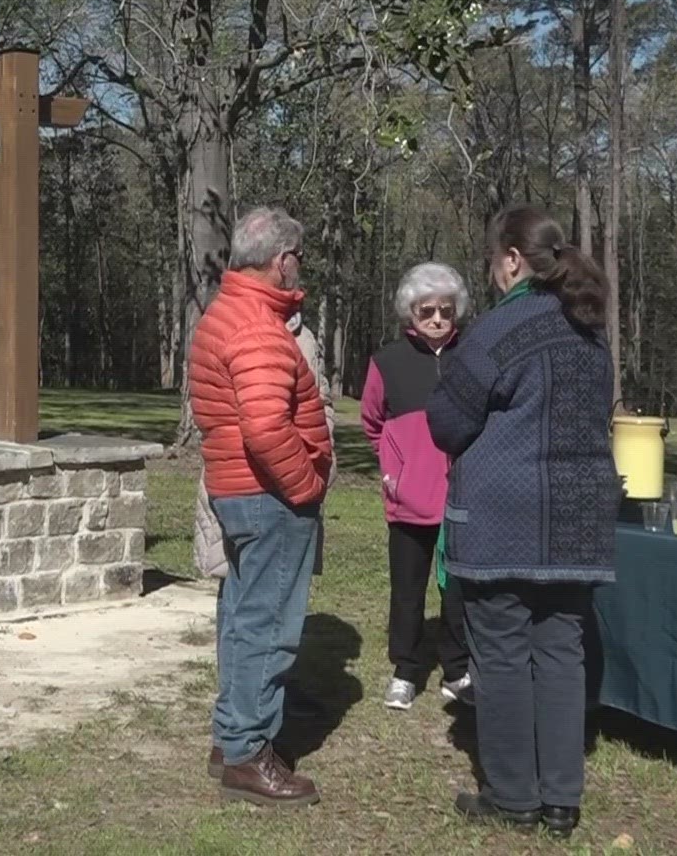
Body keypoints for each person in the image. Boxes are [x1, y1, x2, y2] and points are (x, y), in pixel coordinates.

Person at [425, 207, 620, 839]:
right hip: (576, 519)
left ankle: (514, 797)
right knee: (563, 651)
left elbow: (449, 423)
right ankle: (561, 800)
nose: (489, 272)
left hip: (504, 517)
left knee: (503, 654)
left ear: (512, 259)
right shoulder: (590, 333)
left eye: (490, 260)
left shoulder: (498, 329)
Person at [188, 206, 334, 807]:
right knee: (267, 626)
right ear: (282, 260)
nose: (298, 268)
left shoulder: (224, 312)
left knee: (242, 617)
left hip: (239, 489)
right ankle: (248, 754)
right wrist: (304, 488)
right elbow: (266, 426)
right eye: (297, 258)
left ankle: (231, 739)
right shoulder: (256, 326)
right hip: (268, 495)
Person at [360, 262, 474, 711]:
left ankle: (458, 669)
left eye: (446, 311)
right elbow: (371, 421)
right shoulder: (387, 362)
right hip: (408, 499)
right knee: (407, 590)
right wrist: (394, 466)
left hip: (462, 499)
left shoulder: (471, 357)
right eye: (428, 311)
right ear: (411, 311)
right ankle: (405, 671)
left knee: (457, 589)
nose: (438, 320)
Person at [193, 309, 335, 583]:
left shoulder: (303, 337)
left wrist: (321, 458)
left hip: (292, 484)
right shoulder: (231, 327)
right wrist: (303, 482)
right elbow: (263, 425)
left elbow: (321, 402)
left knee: (274, 591)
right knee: (252, 597)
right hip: (247, 483)